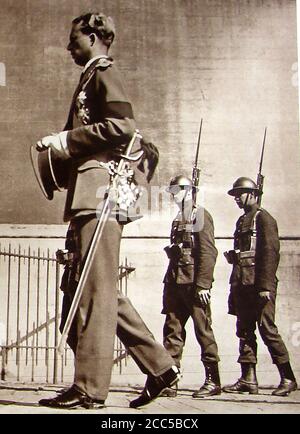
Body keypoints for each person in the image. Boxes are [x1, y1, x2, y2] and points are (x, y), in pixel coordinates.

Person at [36, 12, 180, 410]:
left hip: (101, 194)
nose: (69, 46)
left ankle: (90, 390)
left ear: (95, 37)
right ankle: (161, 368)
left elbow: (122, 126)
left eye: (74, 38)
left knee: (95, 292)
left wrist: (66, 138)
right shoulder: (90, 76)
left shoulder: (103, 73)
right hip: (89, 195)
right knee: (98, 290)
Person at [223, 177, 297, 396]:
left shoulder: (264, 219)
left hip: (259, 286)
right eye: (235, 194)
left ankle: (288, 377)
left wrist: (265, 286)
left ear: (253, 194)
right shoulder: (242, 220)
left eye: (240, 193)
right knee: (244, 330)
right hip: (242, 283)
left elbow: (270, 253)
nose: (236, 198)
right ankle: (248, 379)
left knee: (267, 329)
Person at [161, 175, 221, 398]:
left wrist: (204, 285)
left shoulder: (201, 215)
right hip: (176, 284)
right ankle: (170, 380)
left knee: (203, 331)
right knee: (172, 331)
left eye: (177, 190)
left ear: (188, 191)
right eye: (172, 191)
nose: (173, 195)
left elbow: (208, 252)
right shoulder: (178, 218)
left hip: (194, 285)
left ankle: (213, 381)